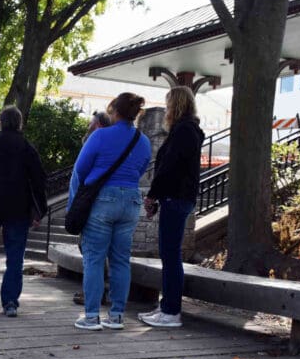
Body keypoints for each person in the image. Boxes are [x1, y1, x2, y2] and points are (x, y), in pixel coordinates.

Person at [69, 92, 152, 330]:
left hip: (103, 199)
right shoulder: (143, 141)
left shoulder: (100, 136)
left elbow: (81, 170)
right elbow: (140, 170)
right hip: (131, 201)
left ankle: (92, 316)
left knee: (94, 259)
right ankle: (116, 316)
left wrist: (76, 202)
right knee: (121, 260)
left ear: (114, 111)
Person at [0, 106, 48, 318]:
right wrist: (39, 210)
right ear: (20, 123)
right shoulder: (27, 147)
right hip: (18, 209)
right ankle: (10, 302)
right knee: (15, 258)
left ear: (0, 122)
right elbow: (39, 180)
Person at [140, 86, 203, 328]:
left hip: (175, 197)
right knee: (169, 254)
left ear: (175, 105)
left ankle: (171, 310)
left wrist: (153, 194)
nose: (165, 109)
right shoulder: (187, 130)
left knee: (170, 254)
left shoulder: (183, 131)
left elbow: (169, 166)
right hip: (178, 197)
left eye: (168, 104)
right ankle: (167, 306)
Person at [73, 110, 113, 306]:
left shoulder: (97, 143)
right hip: (86, 202)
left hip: (90, 204)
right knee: (90, 250)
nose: (88, 125)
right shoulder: (96, 143)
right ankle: (96, 291)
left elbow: (82, 173)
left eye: (91, 122)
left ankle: (95, 294)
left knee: (91, 251)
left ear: (98, 125)